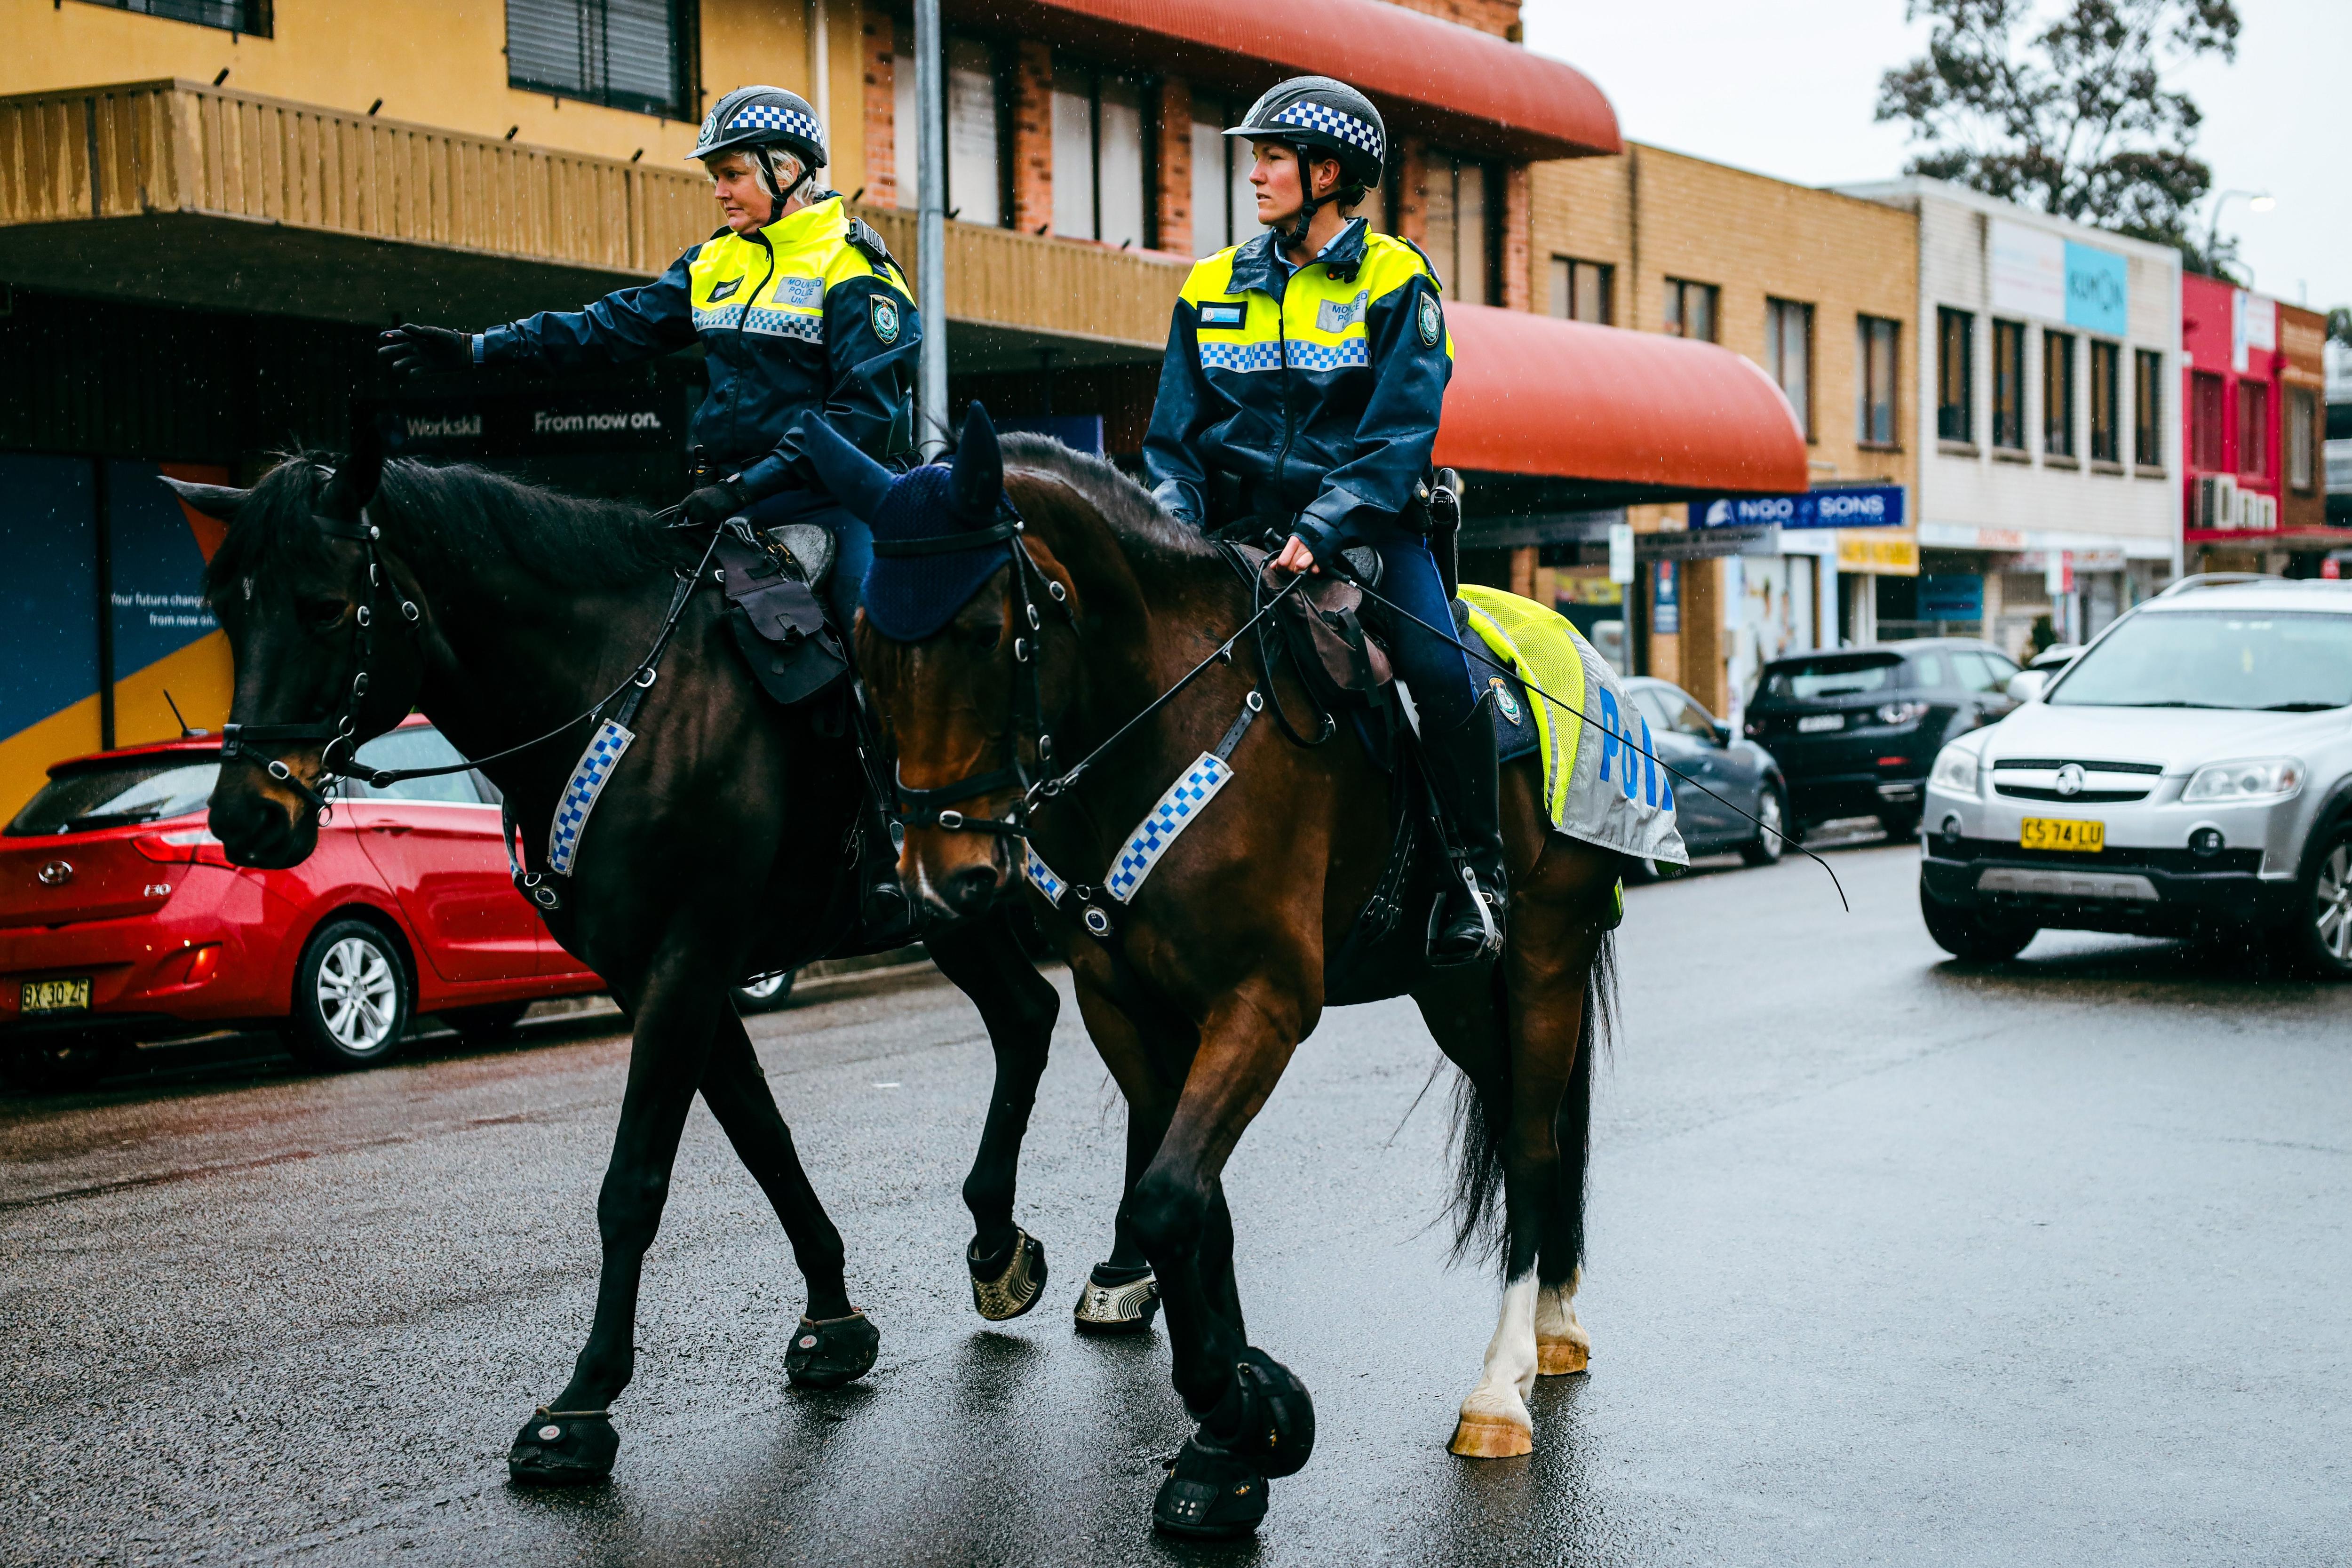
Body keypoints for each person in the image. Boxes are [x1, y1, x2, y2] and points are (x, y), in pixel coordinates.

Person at [377, 84, 919, 935]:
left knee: (865, 659)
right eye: (717, 176)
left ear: (790, 172)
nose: (719, 190)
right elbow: (605, 327)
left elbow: (861, 419)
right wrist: (478, 350)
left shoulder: (857, 270)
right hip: (724, 511)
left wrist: (748, 488)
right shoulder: (715, 260)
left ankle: (894, 848)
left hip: (828, 507)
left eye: (733, 173)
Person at [1141, 76, 1504, 963]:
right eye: (1257, 158)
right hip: (1235, 536)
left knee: (1441, 667)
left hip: (1373, 531)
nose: (1255, 175)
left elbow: (1400, 435)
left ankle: (1476, 875)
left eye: (1271, 158)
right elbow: (1173, 442)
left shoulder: (1398, 279)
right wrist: (1170, 537)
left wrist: (1327, 523)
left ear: (1327, 171)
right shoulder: (1211, 282)